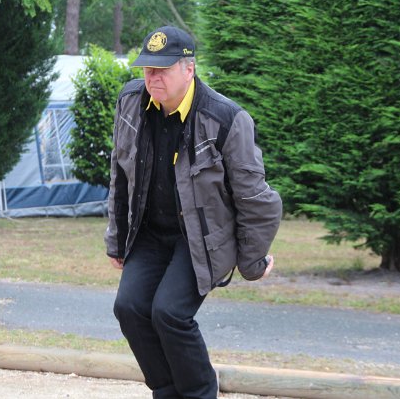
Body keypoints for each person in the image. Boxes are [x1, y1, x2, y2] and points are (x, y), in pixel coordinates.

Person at [105, 26, 282, 399]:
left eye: (163, 69)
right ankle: (167, 391)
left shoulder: (226, 118)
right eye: (148, 69)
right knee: (130, 308)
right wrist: (117, 239)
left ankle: (201, 391)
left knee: (169, 313)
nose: (153, 77)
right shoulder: (130, 102)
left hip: (200, 239)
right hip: (151, 233)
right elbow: (120, 174)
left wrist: (252, 262)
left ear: (189, 69)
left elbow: (256, 199)